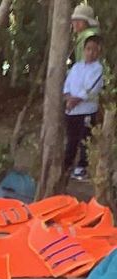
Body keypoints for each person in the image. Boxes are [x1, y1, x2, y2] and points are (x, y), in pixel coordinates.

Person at [64, 34, 103, 181]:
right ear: (83, 50)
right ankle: (67, 164)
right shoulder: (76, 66)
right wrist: (68, 97)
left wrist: (76, 99)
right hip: (71, 110)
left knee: (84, 139)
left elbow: (91, 88)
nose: (90, 52)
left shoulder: (97, 69)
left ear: (98, 52)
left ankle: (81, 167)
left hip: (86, 110)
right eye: (88, 49)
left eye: (94, 50)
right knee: (71, 138)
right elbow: (67, 83)